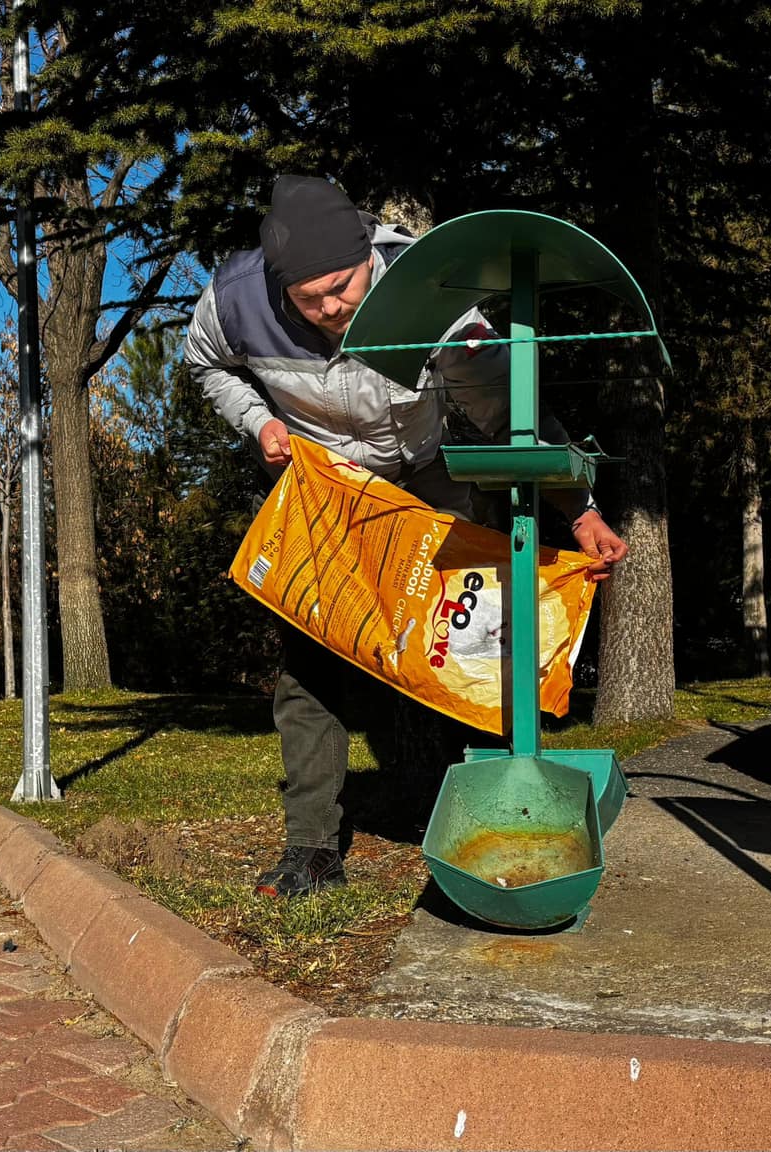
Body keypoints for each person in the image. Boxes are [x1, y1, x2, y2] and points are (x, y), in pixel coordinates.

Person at [184, 175, 627, 897]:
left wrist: (579, 512)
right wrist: (258, 421)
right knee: (313, 657)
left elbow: (508, 411)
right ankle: (311, 849)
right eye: (308, 299)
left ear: (368, 255)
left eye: (342, 287)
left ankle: (485, 812)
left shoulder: (433, 291)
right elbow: (204, 362)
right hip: (329, 489)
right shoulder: (234, 299)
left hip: (424, 472)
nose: (330, 309)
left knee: (471, 636)